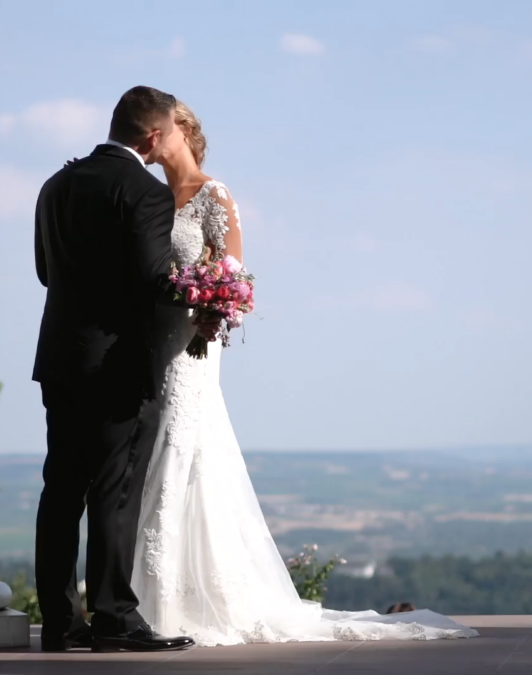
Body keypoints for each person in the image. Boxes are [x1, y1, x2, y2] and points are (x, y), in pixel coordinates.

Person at [126, 100, 480, 645]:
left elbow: (233, 277)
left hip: (194, 344)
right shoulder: (151, 198)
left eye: (159, 129)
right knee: (160, 456)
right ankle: (154, 597)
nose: (149, 140)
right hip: (154, 343)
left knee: (183, 448)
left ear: (181, 131)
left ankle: (176, 603)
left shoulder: (213, 194)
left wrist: (207, 315)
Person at [31, 86, 219, 653]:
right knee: (113, 490)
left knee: (60, 489)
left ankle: (61, 624)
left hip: (62, 357)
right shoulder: (145, 193)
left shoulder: (56, 185)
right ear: (155, 136)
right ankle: (114, 617)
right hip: (116, 367)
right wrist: (202, 292)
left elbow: (45, 271)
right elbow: (154, 282)